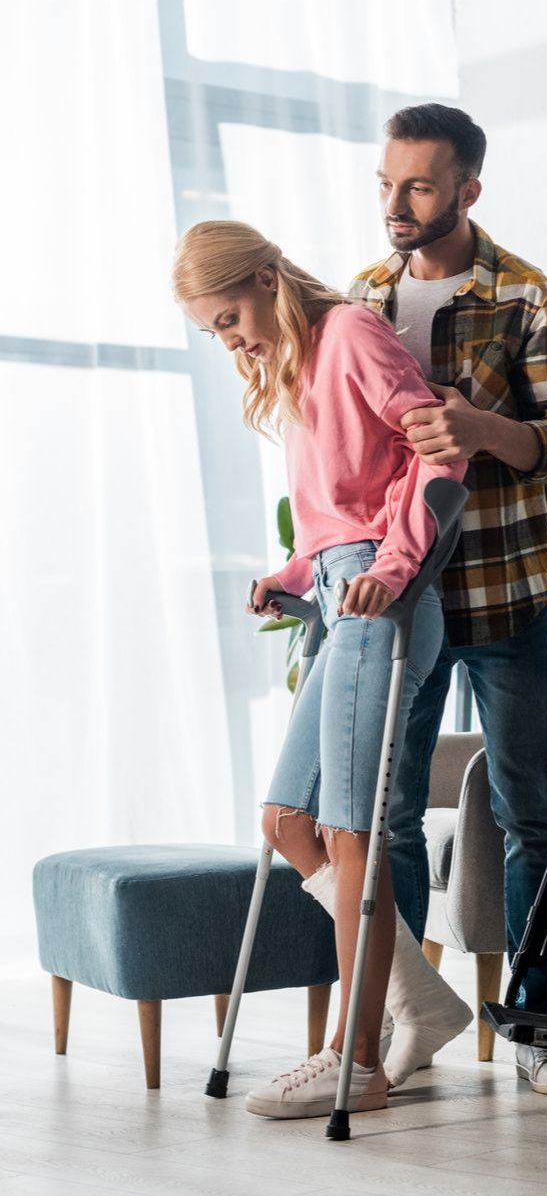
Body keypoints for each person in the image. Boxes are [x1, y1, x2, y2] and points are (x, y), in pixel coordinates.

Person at [172, 220, 474, 1118]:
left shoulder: (349, 336)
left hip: (387, 598)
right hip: (341, 590)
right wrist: (293, 573)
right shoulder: (303, 362)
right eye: (213, 332)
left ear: (267, 280)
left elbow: (437, 455)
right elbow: (341, 514)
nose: (230, 341)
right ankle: (419, 1000)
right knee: (284, 818)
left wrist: (388, 569)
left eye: (230, 318)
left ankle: (357, 1059)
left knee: (353, 830)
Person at [349, 104, 547, 1095]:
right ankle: (412, 1019)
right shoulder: (358, 298)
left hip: (502, 597)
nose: (396, 205)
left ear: (467, 191)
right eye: (386, 183)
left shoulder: (532, 298)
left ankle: (538, 1027)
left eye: (417, 186)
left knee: (532, 812)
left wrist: (486, 429)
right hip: (401, 601)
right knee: (391, 811)